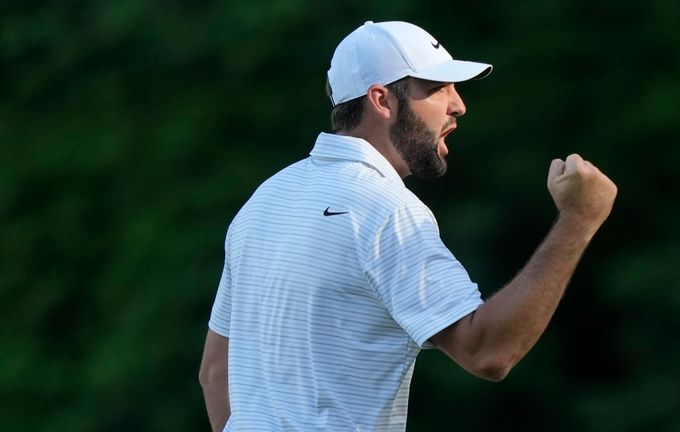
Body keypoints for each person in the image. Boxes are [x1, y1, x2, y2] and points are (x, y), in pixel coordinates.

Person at [199, 20, 617, 432]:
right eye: (437, 88)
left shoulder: (266, 199)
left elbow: (216, 372)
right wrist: (579, 219)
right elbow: (488, 351)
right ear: (382, 100)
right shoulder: (383, 208)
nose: (459, 104)